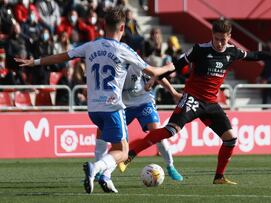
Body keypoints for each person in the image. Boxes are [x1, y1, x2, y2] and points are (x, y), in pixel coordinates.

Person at [118, 19, 271, 184]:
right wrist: (155, 77)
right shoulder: (200, 49)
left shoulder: (232, 52)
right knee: (170, 131)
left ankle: (219, 176)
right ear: (212, 35)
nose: (219, 43)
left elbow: (254, 56)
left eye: (223, 39)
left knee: (230, 139)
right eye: (216, 38)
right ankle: (131, 154)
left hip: (211, 103)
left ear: (229, 37)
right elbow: (177, 64)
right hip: (192, 99)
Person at [15, 7, 175, 194]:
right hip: (113, 107)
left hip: (93, 109)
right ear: (122, 27)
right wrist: (173, 65)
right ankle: (96, 168)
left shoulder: (90, 45)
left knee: (113, 146)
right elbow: (154, 72)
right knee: (123, 152)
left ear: (103, 25)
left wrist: (35, 62)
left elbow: (63, 57)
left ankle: (105, 179)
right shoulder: (123, 49)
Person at [95, 63, 184, 181]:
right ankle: (97, 169)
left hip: (144, 102)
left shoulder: (136, 62)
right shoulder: (111, 66)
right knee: (101, 130)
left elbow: (157, 74)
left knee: (157, 133)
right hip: (123, 105)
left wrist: (173, 93)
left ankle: (170, 166)